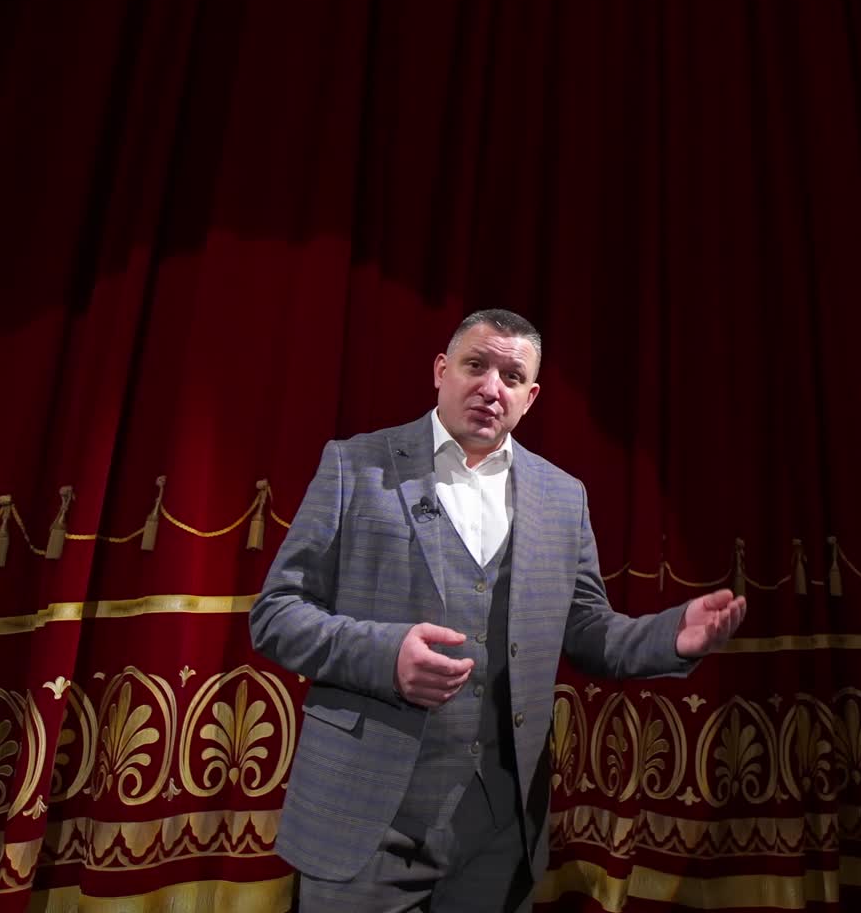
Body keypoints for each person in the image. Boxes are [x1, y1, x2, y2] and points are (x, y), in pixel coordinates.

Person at [250, 308, 746, 912]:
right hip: (366, 819)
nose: (491, 387)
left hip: (499, 832)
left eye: (511, 377)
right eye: (475, 365)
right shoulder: (355, 466)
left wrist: (671, 637)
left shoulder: (562, 496)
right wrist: (386, 655)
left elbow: (587, 630)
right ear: (441, 371)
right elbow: (276, 612)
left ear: (530, 396)